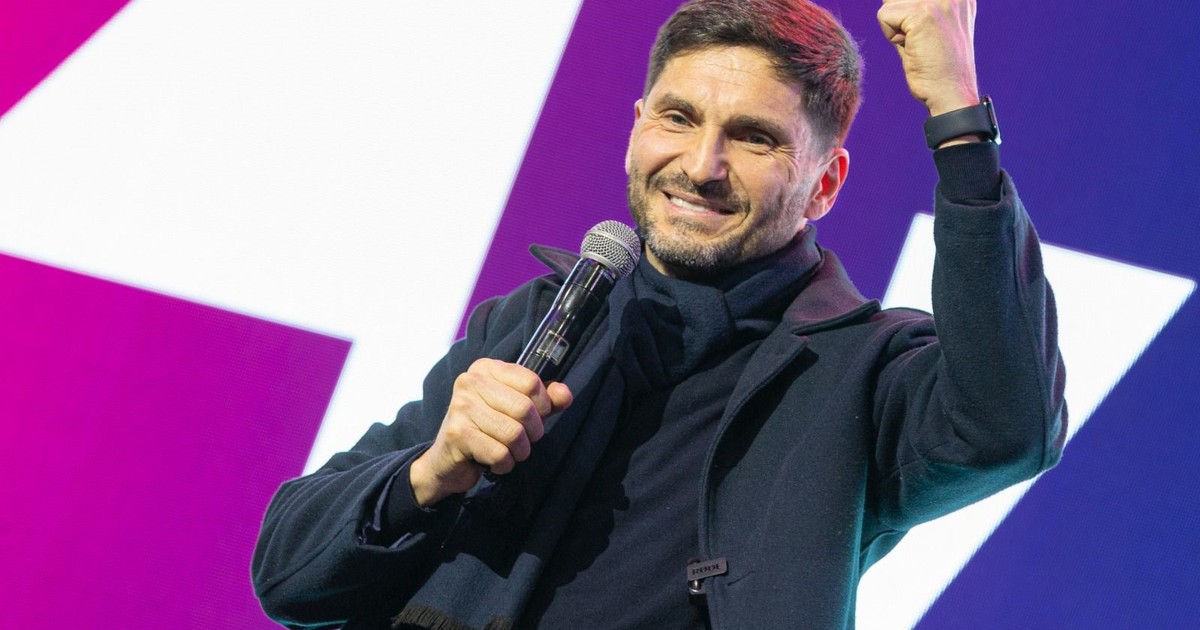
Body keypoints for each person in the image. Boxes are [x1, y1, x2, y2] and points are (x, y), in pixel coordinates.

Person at [253, 0, 1067, 628]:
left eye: (753, 138)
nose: (701, 165)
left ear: (824, 183)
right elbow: (287, 575)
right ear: (637, 127)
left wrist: (958, 117)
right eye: (678, 119)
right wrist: (428, 475)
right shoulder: (539, 321)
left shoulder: (864, 375)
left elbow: (1009, 427)